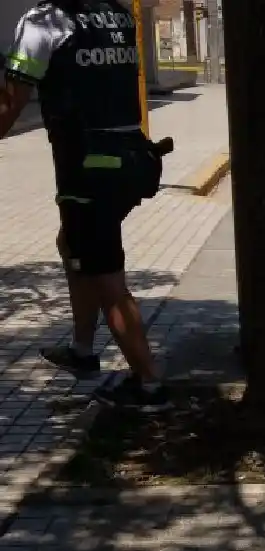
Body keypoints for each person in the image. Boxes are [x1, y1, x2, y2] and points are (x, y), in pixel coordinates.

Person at [0, 0, 170, 411]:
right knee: (72, 243)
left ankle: (149, 385)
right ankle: (81, 350)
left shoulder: (43, 22)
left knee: (105, 274)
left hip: (86, 168)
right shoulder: (117, 13)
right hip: (132, 161)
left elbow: (11, 102)